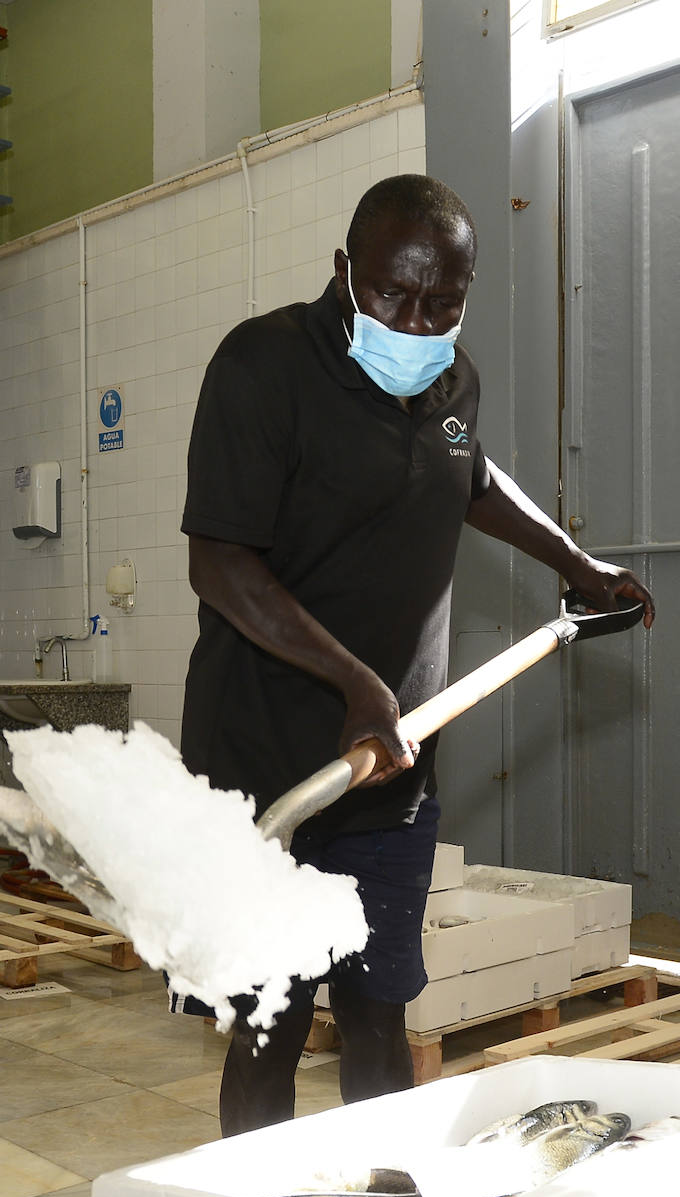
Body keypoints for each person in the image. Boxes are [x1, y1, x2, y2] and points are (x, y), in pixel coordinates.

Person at [177, 173, 654, 1137]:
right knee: (271, 1020)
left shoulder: (448, 376)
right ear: (345, 271)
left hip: (392, 767)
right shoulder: (263, 365)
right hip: (269, 774)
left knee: (380, 1010)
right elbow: (220, 565)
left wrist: (577, 561)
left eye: (443, 301)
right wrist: (357, 682)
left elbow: (471, 473)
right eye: (394, 294)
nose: (416, 319)